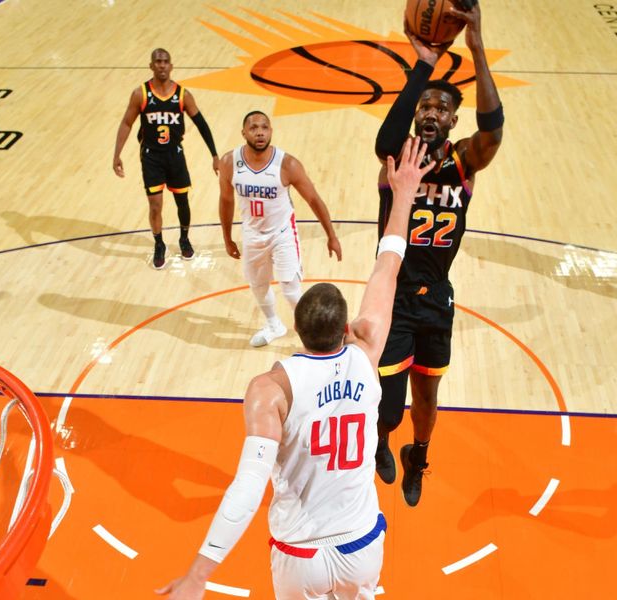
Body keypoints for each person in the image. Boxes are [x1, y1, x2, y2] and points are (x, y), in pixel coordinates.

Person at [155, 137, 435, 600]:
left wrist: (198, 576)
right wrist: (403, 194)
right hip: (361, 544)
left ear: (299, 332)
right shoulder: (367, 351)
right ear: (346, 327)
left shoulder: (271, 388)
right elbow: (389, 266)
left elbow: (248, 487)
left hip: (300, 555)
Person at [372, 4, 504, 507]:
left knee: (426, 397)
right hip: (394, 295)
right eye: (424, 106)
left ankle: (417, 456)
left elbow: (492, 130)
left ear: (452, 120)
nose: (430, 112)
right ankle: (383, 438)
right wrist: (423, 66)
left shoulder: (463, 161)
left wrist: (476, 47)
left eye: (440, 109)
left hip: (437, 298)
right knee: (388, 403)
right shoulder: (398, 157)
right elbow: (386, 137)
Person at [219, 111, 342, 347]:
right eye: (254, 127)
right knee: (258, 285)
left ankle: (314, 337)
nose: (260, 132)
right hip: (252, 235)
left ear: (271, 131)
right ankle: (274, 325)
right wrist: (227, 238)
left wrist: (331, 236)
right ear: (243, 132)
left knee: (291, 290)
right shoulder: (229, 162)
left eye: (265, 127)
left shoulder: (287, 164)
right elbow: (226, 201)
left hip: (282, 234)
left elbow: (314, 200)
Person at [113, 48, 220, 269]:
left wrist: (214, 154)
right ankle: (159, 243)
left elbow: (201, 124)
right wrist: (117, 154)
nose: (161, 65)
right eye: (157, 62)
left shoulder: (183, 95)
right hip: (151, 158)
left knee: (183, 202)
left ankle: (184, 238)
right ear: (151, 66)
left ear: (171, 66)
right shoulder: (141, 94)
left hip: (175, 156)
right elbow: (126, 123)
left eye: (165, 62)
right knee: (155, 205)